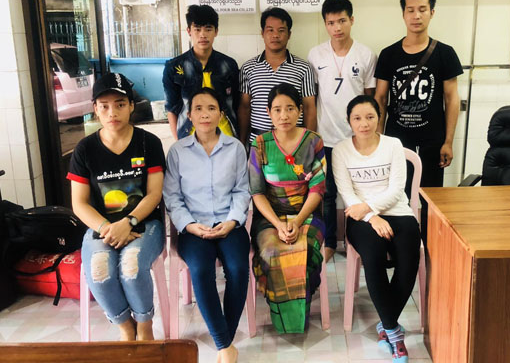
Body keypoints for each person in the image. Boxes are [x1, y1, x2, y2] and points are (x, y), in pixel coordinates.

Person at [67, 72, 165, 341]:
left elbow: (154, 194)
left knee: (131, 268)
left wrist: (128, 222)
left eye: (120, 104)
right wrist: (108, 228)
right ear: (95, 108)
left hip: (144, 223)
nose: (113, 112)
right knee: (100, 272)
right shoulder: (84, 149)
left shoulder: (148, 143)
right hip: (102, 227)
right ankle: (125, 327)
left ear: (131, 106)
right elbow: (79, 203)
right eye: (105, 106)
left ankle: (144, 326)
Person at [163, 87, 250, 363]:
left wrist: (232, 221)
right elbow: (172, 197)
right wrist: (190, 226)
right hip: (194, 228)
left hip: (229, 224)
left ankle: (225, 342)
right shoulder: (178, 151)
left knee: (238, 268)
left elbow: (242, 190)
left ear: (221, 114)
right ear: (189, 115)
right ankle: (226, 346)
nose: (205, 114)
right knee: (201, 271)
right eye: (198, 109)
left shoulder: (235, 148)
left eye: (211, 108)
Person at [332, 95, 420, 363]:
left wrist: (370, 207)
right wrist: (372, 217)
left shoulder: (393, 144)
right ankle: (394, 332)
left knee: (408, 261)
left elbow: (397, 189)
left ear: (379, 118)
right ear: (349, 121)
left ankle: (386, 322)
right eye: (357, 118)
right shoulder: (340, 150)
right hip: (360, 219)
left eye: (370, 117)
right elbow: (347, 193)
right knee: (374, 257)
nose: (364, 123)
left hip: (398, 211)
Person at [248, 83, 325, 334]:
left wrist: (298, 221)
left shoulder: (313, 141)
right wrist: (279, 224)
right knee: (272, 250)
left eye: (290, 108)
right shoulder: (260, 144)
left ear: (300, 111)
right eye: (278, 109)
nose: (284, 115)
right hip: (270, 216)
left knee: (304, 250)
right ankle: (284, 317)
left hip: (307, 214)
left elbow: (317, 189)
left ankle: (298, 314)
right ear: (268, 112)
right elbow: (257, 193)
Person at [307, 0, 377, 262]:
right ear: (325, 24)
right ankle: (328, 243)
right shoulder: (315, 54)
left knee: (358, 192)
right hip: (325, 136)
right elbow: (312, 97)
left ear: (352, 20)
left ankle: (355, 241)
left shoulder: (366, 54)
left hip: (356, 139)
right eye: (331, 22)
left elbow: (369, 98)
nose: (337, 27)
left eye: (342, 21)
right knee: (326, 194)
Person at [374, 0, 462, 188]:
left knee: (431, 195)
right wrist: (378, 139)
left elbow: (451, 99)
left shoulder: (445, 53)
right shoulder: (388, 54)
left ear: (432, 12)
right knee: (399, 193)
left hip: (433, 138)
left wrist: (448, 141)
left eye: (422, 10)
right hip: (397, 137)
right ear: (403, 14)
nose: (416, 16)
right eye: (410, 10)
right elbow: (380, 98)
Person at [238, 7, 317, 146]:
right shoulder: (248, 68)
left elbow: (309, 108)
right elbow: (245, 108)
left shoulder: (304, 68)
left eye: (281, 30)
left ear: (289, 34)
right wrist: (242, 142)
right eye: (270, 30)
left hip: (294, 144)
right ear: (262, 33)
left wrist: (308, 145)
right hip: (259, 143)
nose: (275, 35)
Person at [163, 4, 240, 140]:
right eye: (197, 29)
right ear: (189, 31)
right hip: (189, 137)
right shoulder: (174, 67)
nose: (203, 35)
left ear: (216, 31)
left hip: (226, 136)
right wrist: (179, 142)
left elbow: (237, 104)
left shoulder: (229, 65)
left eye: (208, 29)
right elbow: (171, 109)